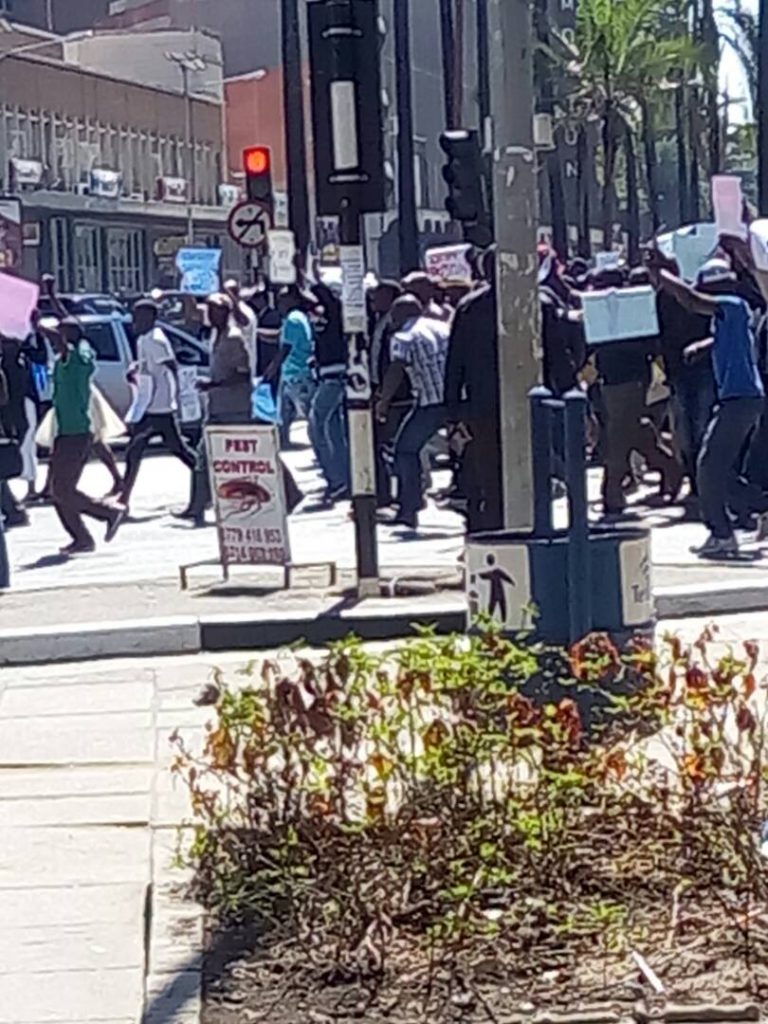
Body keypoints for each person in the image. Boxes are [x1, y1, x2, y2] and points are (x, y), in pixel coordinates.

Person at [648, 252, 767, 557]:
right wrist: (703, 347)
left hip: (738, 400)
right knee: (720, 470)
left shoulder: (731, 305)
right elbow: (729, 341)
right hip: (740, 399)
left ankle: (723, 534)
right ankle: (758, 505)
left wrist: (664, 275)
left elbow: (690, 300)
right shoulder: (732, 314)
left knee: (708, 467)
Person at [591, 267, 682, 515]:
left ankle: (611, 491)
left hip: (631, 377)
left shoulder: (633, 308)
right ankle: (669, 467)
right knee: (631, 427)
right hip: (609, 376)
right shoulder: (599, 310)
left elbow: (650, 343)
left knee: (618, 434)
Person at [48, 318, 125, 555]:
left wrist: (38, 325)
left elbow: (63, 341)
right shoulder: (84, 352)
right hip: (69, 431)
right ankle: (81, 538)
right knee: (58, 489)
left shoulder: (72, 360)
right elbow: (73, 332)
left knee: (61, 490)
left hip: (74, 432)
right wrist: (51, 297)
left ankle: (107, 512)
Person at [376, 295, 450, 530]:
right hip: (455, 398)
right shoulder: (442, 327)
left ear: (399, 315)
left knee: (405, 450)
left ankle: (409, 507)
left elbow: (396, 368)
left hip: (429, 401)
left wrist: (383, 401)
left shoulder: (403, 337)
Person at [444, 251, 504, 532]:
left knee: (486, 472)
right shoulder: (538, 301)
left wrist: (453, 412)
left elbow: (454, 363)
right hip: (529, 404)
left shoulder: (469, 307)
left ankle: (486, 526)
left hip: (481, 403)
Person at [181, 294, 252, 528]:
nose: (211, 315)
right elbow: (190, 314)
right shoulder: (216, 336)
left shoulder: (234, 338)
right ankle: (197, 507)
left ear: (226, 312)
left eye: (216, 311)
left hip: (234, 409)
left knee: (245, 459)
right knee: (203, 458)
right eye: (209, 311)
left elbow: (243, 374)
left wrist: (214, 385)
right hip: (216, 408)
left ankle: (289, 493)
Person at [120, 300, 196, 509]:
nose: (134, 321)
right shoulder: (144, 339)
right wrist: (136, 369)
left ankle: (123, 498)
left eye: (139, 317)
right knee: (173, 447)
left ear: (151, 318)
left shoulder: (155, 339)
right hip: (148, 403)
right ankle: (203, 476)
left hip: (158, 405)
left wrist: (178, 397)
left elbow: (171, 366)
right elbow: (149, 365)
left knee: (139, 448)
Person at [307, 275, 350, 503]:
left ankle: (336, 479)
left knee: (316, 428)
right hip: (329, 375)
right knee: (334, 430)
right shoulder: (326, 317)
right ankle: (342, 479)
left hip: (335, 377)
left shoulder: (333, 313)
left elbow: (323, 298)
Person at [369, 280, 407, 508]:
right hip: (379, 388)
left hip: (396, 396)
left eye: (379, 296)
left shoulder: (395, 325)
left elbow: (396, 364)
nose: (373, 300)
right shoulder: (378, 322)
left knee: (394, 446)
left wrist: (385, 395)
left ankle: (397, 496)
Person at [268, 286, 316, 449]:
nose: (279, 303)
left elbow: (285, 349)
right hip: (291, 375)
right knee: (284, 414)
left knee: (310, 414)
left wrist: (272, 369)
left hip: (298, 375)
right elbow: (279, 337)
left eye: (283, 299)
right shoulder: (295, 318)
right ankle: (283, 442)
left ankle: (318, 444)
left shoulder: (293, 319)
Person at [224, 279, 259, 378]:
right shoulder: (226, 312)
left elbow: (243, 321)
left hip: (243, 367)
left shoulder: (245, 311)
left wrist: (232, 299)